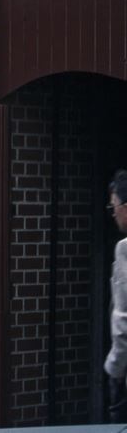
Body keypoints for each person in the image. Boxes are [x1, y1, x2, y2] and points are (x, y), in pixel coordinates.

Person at [106, 169, 127, 422]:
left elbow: (123, 322)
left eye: (114, 207)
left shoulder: (124, 250)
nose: (113, 214)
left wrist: (115, 369)